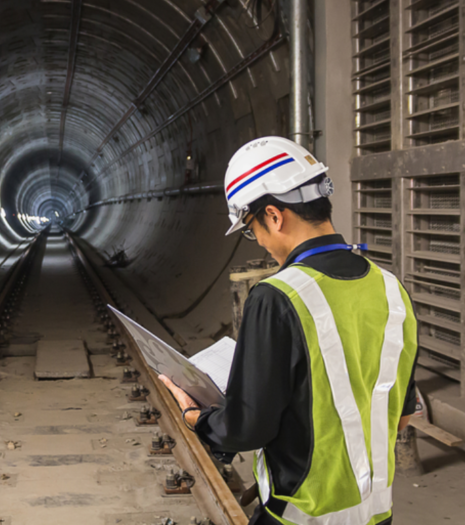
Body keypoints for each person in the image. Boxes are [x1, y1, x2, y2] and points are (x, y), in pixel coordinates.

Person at [160, 136, 418, 525]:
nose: (260, 241)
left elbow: (247, 430)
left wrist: (197, 417)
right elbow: (400, 416)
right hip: (375, 515)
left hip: (299, 517)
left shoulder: (277, 296)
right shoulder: (391, 288)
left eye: (252, 229)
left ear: (275, 216)